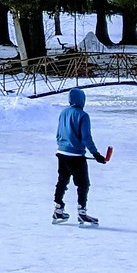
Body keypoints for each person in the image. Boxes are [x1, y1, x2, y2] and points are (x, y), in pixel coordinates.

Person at [52, 88, 106, 225]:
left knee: (62, 181)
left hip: (61, 153)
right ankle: (82, 212)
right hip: (76, 156)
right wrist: (96, 154)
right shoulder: (83, 115)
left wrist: (62, 146)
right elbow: (86, 137)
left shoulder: (63, 113)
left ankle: (58, 209)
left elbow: (59, 133)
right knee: (83, 184)